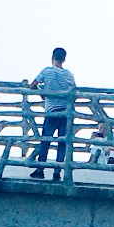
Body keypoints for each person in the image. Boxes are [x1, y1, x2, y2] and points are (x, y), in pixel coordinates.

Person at [27, 47, 76, 179]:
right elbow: (73, 93)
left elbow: (32, 85)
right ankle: (57, 172)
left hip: (51, 112)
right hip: (65, 113)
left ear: (52, 57)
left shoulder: (47, 71)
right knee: (62, 143)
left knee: (46, 141)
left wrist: (43, 93)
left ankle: (40, 169)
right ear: (64, 59)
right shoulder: (69, 75)